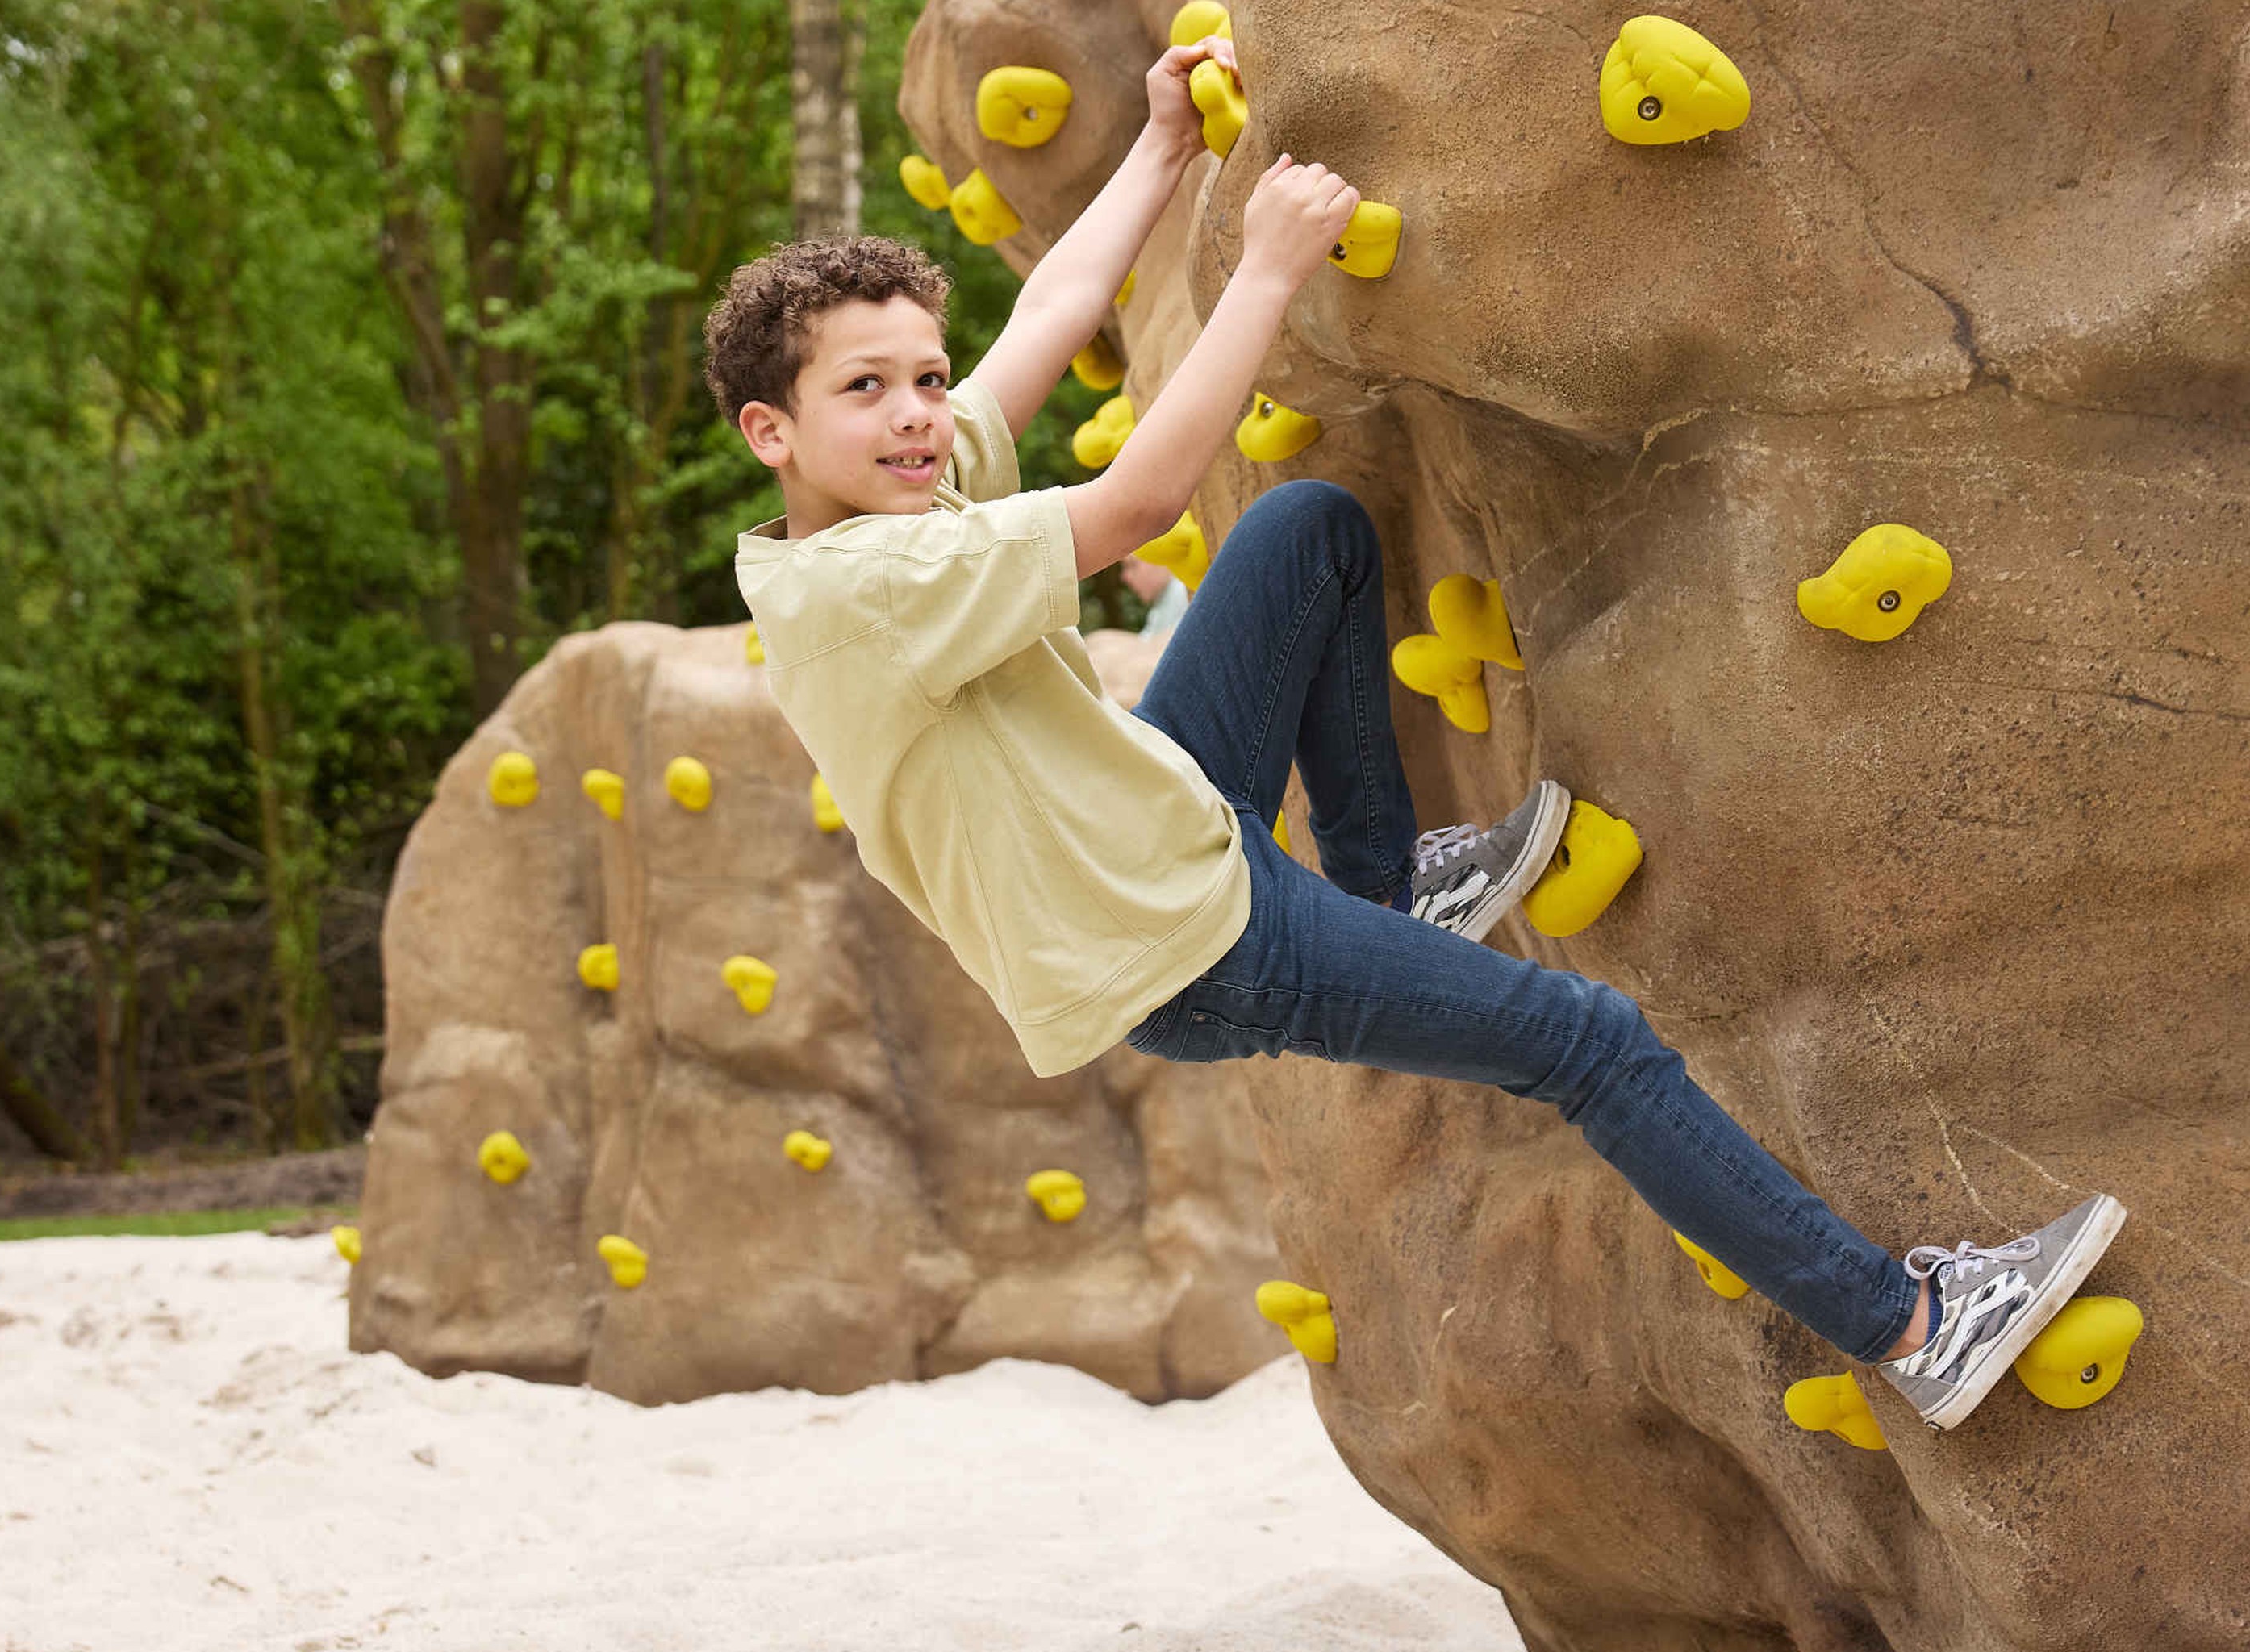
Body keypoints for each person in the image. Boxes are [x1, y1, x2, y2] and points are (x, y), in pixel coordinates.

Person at [705, 36, 2119, 1431]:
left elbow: (1050, 318)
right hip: (1183, 939)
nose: (914, 417)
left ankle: (1391, 879)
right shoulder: (862, 587)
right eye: (865, 390)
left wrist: (1159, 147)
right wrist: (1262, 269)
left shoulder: (899, 498)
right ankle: (1914, 1325)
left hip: (1160, 816)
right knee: (1587, 1040)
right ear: (772, 432)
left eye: (923, 380)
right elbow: (1133, 506)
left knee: (1306, 530)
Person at [1120, 552, 1189, 638]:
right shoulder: (1163, 600)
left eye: (1132, 565)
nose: (1125, 577)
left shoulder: (1184, 592)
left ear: (1159, 558)